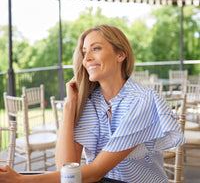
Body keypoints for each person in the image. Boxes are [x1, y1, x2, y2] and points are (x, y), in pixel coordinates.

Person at [0, 24, 185, 183]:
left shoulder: (142, 101)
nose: (86, 58)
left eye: (95, 48)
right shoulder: (92, 102)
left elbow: (96, 171)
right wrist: (69, 107)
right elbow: (66, 170)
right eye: (84, 52)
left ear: (121, 54)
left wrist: (22, 180)